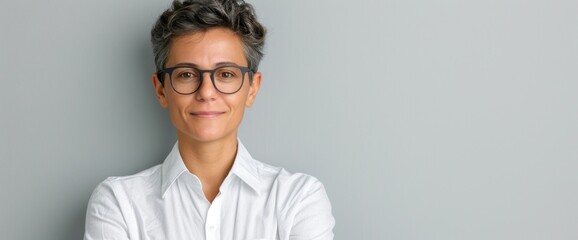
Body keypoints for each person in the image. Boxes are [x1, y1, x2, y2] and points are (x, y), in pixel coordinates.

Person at [83, 0, 335, 239]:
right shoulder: (119, 202)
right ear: (161, 90)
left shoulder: (298, 199)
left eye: (225, 74)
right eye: (186, 74)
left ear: (252, 89)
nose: (206, 92)